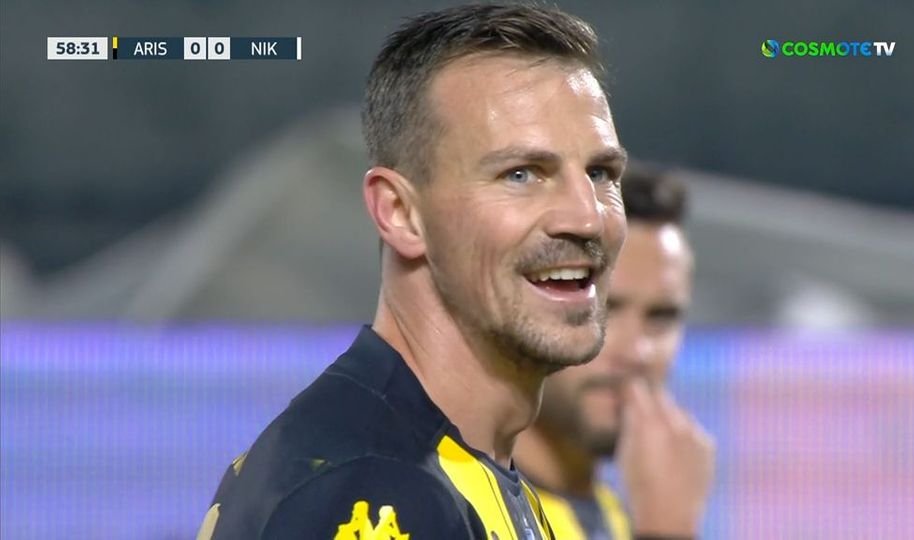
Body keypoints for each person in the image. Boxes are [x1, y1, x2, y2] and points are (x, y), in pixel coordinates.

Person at [196, 4, 629, 539]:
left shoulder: (438, 466)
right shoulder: (377, 493)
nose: (587, 217)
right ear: (400, 213)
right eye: (521, 174)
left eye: (600, 173)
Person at [513, 164, 716, 540]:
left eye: (661, 317)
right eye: (603, 308)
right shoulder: (451, 507)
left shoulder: (623, 519)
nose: (636, 352)